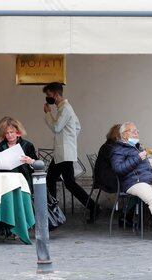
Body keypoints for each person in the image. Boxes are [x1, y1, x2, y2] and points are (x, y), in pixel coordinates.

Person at [112, 122, 152, 242]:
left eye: (137, 131)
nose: (137, 133)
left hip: (147, 180)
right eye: (134, 131)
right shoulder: (118, 149)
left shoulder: (136, 146)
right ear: (125, 134)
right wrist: (138, 158)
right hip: (133, 182)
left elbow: (146, 167)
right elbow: (118, 169)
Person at [43, 82, 99, 220]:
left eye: (49, 95)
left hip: (64, 154)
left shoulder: (66, 109)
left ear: (56, 94)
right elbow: (77, 127)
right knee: (57, 180)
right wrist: (70, 140)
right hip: (63, 153)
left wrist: (48, 113)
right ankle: (54, 209)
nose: (48, 98)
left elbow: (56, 128)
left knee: (64, 182)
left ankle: (53, 211)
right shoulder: (65, 108)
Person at [0, 116, 38, 191]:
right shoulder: (0, 147)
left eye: (11, 132)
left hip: (24, 180)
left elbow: (37, 165)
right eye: (7, 133)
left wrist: (30, 161)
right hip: (6, 182)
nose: (9, 135)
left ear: (18, 132)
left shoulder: (27, 145)